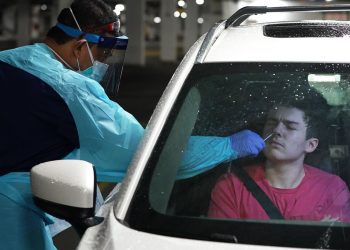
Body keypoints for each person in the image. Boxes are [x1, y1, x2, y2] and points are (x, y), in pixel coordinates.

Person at [0, 0, 265, 249]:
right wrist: (229, 145)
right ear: (80, 47)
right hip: (10, 210)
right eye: (101, 52)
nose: (103, 63)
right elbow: (150, 155)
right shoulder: (72, 90)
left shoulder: (8, 59)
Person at [208, 90, 350, 222]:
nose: (276, 130)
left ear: (310, 145)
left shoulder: (332, 188)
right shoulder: (232, 185)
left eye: (290, 126)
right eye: (272, 123)